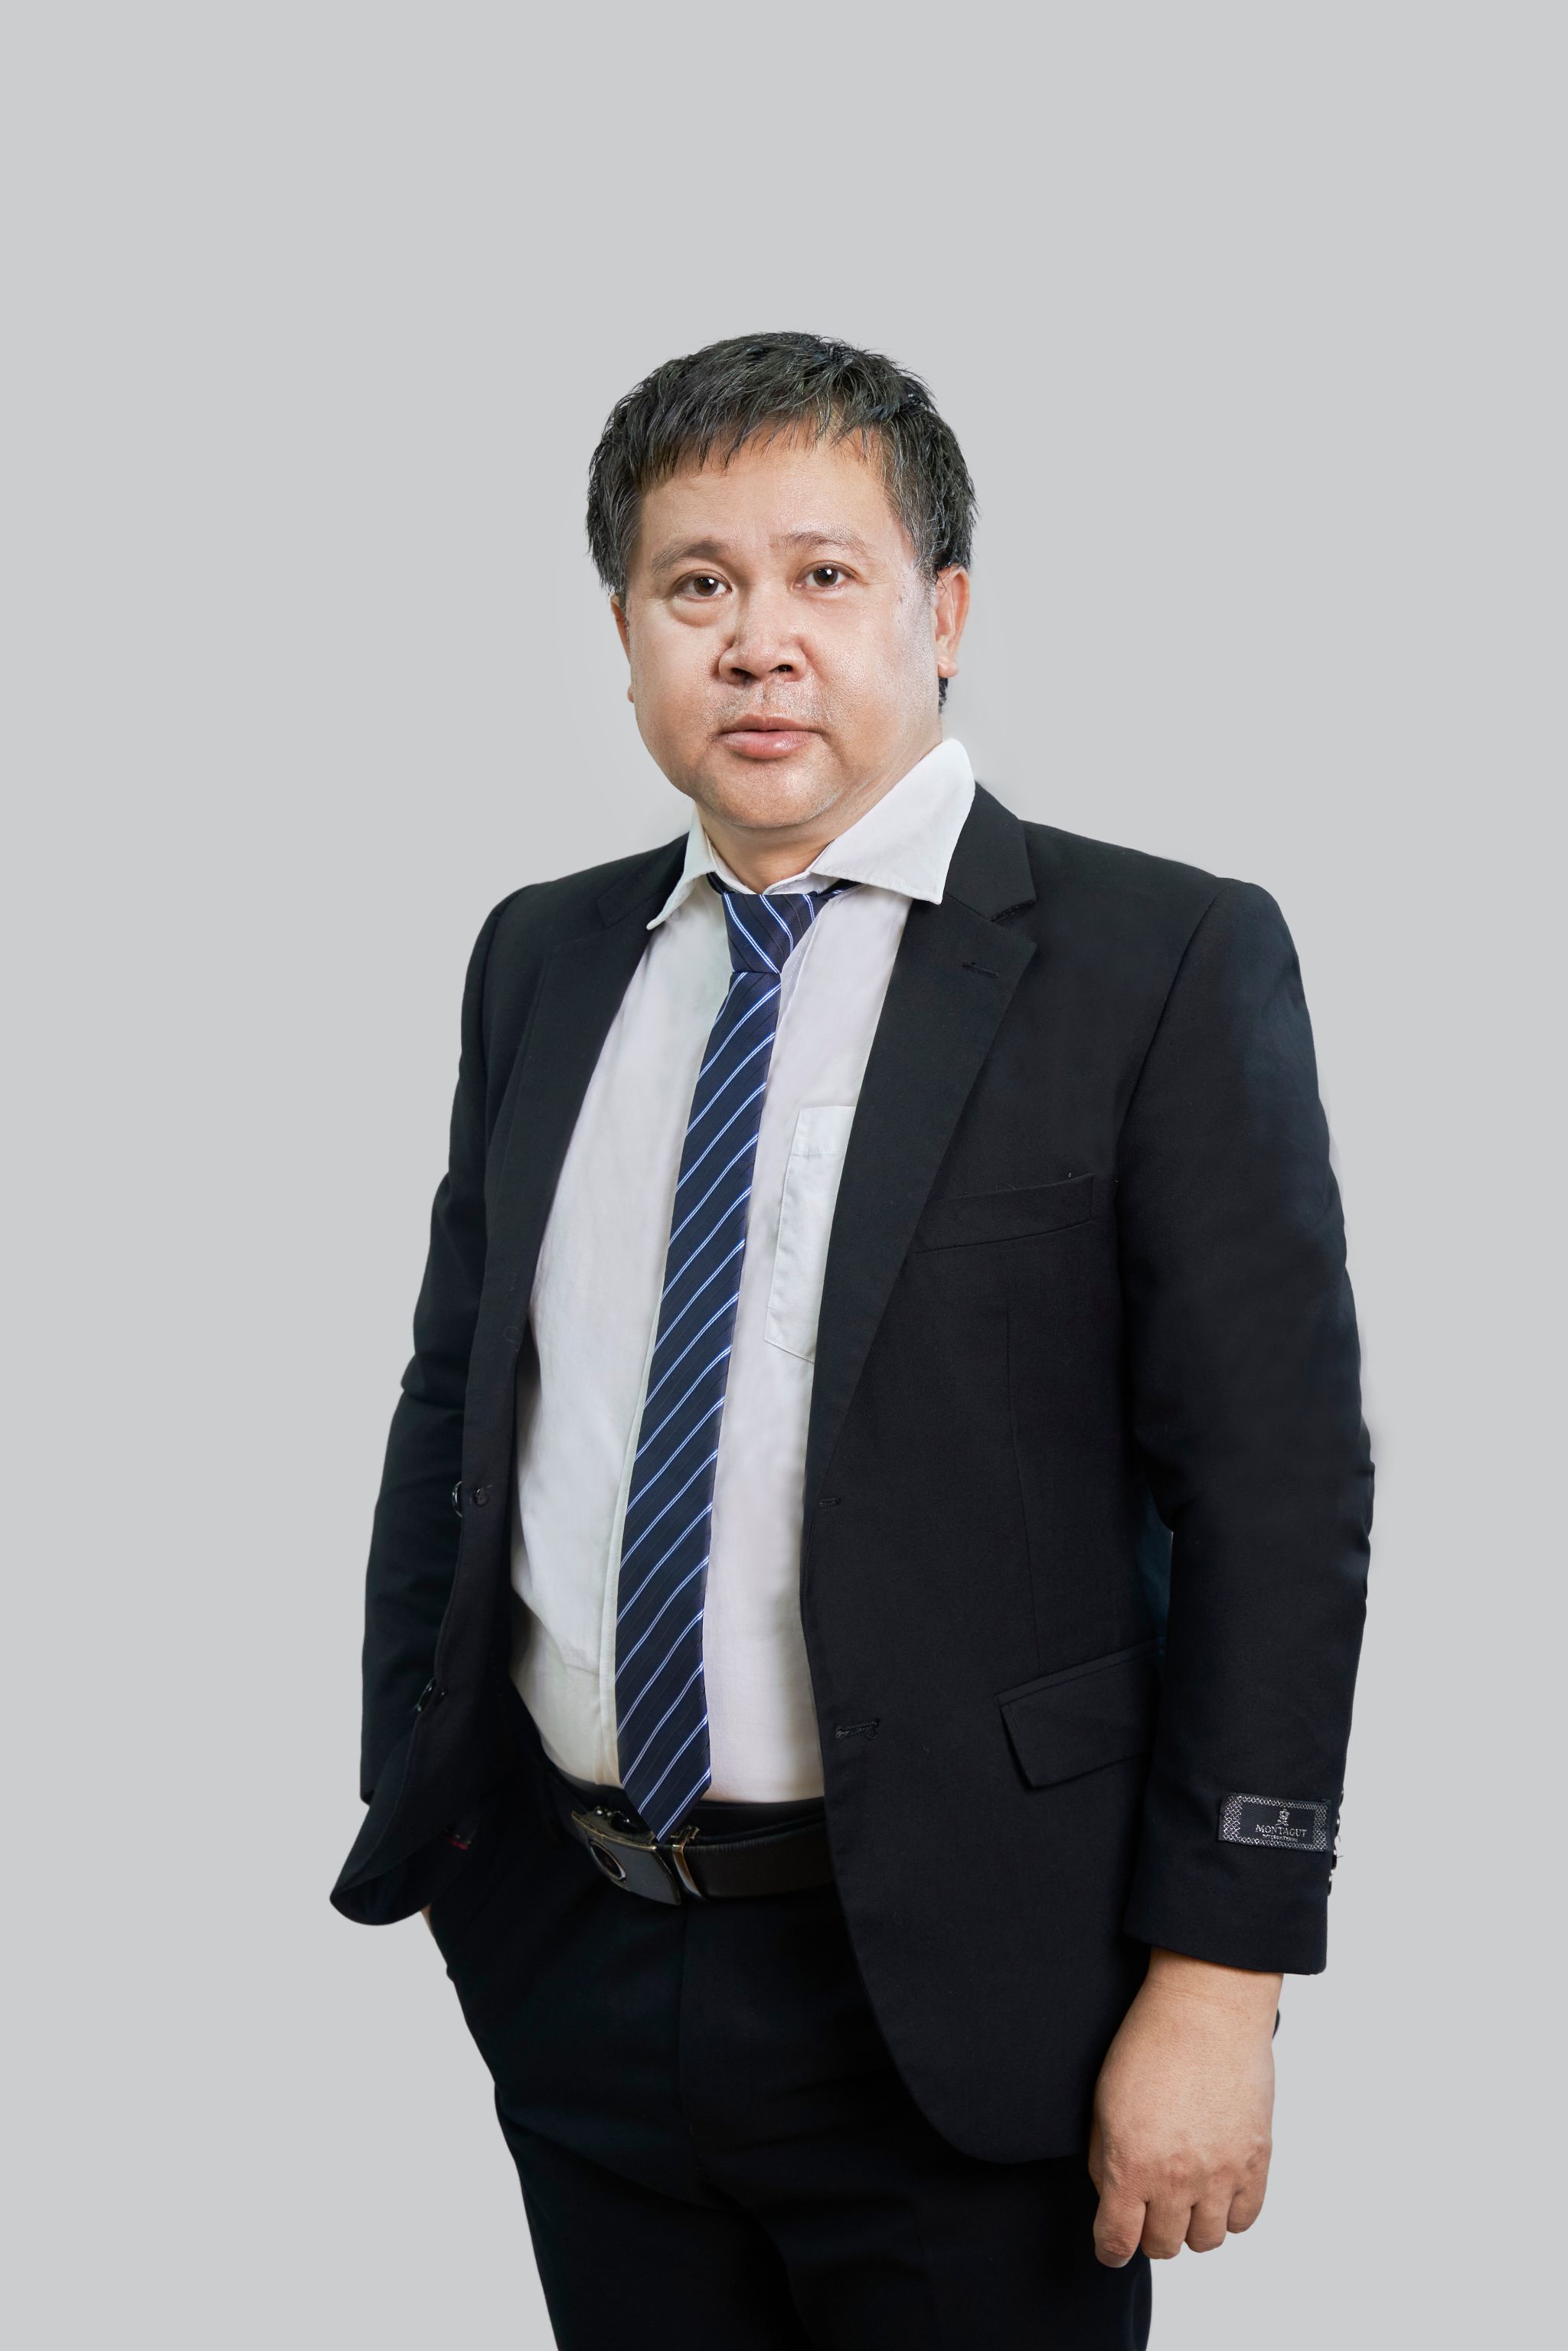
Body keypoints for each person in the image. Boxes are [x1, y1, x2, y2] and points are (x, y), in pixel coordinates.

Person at [331, 331, 1373, 2349]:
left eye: (825, 574)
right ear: (626, 635)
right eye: (695, 582)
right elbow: (461, 1396)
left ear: (944, 615)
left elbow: (1278, 1493)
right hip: (581, 1961)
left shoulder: (1158, 960)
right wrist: (434, 1801)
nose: (759, 641)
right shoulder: (542, 955)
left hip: (977, 1994)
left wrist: (1222, 1978)